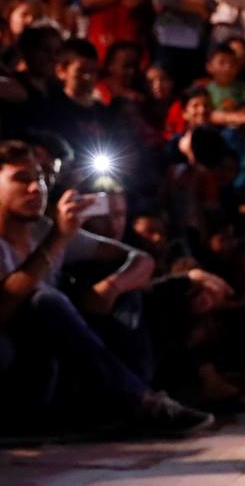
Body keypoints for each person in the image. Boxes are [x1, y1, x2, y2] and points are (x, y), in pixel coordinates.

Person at [0, 139, 213, 434]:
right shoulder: (49, 236)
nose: (36, 188)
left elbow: (139, 258)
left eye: (39, 178)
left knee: (131, 290)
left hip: (58, 371)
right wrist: (57, 240)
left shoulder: (42, 231)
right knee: (44, 301)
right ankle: (141, 404)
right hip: (13, 374)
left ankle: (137, 399)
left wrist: (111, 287)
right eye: (21, 179)